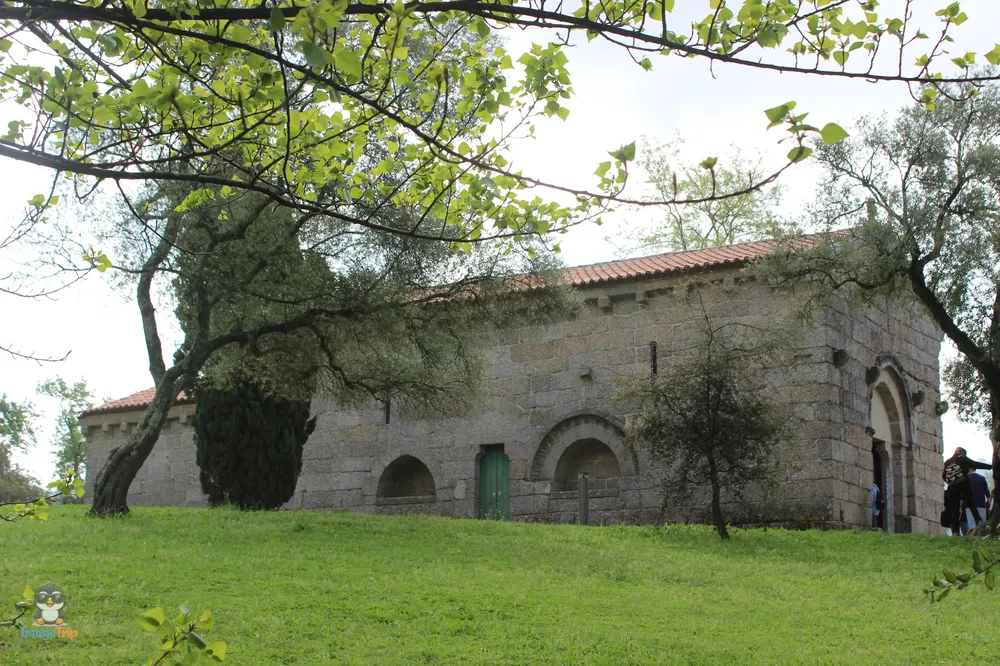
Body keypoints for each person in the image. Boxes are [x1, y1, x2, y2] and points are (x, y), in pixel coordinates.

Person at [943, 447, 992, 536]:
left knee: (955, 509)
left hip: (952, 488)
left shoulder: (947, 462)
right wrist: (990, 467)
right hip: (964, 485)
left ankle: (955, 532)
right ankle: (979, 522)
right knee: (970, 504)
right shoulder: (962, 459)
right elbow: (975, 464)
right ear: (963, 453)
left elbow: (944, 475)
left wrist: (951, 482)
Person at [962, 468, 991, 535]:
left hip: (969, 505)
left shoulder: (965, 478)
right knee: (982, 525)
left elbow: (962, 494)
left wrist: (961, 506)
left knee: (972, 525)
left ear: (969, 468)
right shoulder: (982, 478)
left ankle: (973, 537)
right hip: (981, 504)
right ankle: (981, 537)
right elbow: (987, 493)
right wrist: (990, 506)